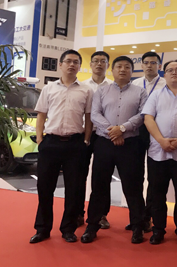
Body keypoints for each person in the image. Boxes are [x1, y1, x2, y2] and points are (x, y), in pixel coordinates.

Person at [81, 56, 148, 244]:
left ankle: (138, 227)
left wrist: (123, 129)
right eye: (119, 66)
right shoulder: (102, 91)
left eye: (127, 67)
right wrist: (113, 131)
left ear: (132, 71)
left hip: (131, 145)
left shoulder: (140, 92)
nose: (123, 69)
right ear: (112, 69)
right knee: (99, 186)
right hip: (104, 143)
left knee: (133, 187)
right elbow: (95, 114)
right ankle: (92, 226)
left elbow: (142, 115)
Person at [30, 50, 93, 244]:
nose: (72, 65)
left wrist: (86, 140)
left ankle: (68, 229)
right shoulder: (49, 88)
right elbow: (41, 115)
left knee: (74, 190)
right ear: (60, 64)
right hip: (50, 143)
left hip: (75, 144)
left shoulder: (86, 90)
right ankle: (42, 229)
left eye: (76, 62)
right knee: (44, 188)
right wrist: (40, 139)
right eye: (68, 61)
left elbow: (89, 118)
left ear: (79, 66)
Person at [143, 60, 177, 245]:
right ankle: (158, 230)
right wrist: (161, 140)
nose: (174, 73)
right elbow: (148, 119)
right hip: (158, 153)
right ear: (164, 74)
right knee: (157, 195)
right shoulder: (156, 94)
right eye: (170, 70)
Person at [130, 51, 166, 233]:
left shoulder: (166, 84)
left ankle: (148, 217)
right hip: (137, 132)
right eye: (146, 63)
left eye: (153, 63)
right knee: (135, 176)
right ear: (141, 65)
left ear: (159, 66)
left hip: (156, 131)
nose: (149, 66)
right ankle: (137, 217)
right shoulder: (135, 84)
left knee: (154, 178)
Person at [79, 51, 113, 230]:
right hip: (83, 134)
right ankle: (78, 213)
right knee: (78, 175)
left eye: (103, 61)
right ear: (91, 64)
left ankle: (101, 215)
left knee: (102, 177)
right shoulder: (81, 86)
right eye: (96, 61)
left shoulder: (113, 86)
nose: (99, 64)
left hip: (104, 135)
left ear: (108, 65)